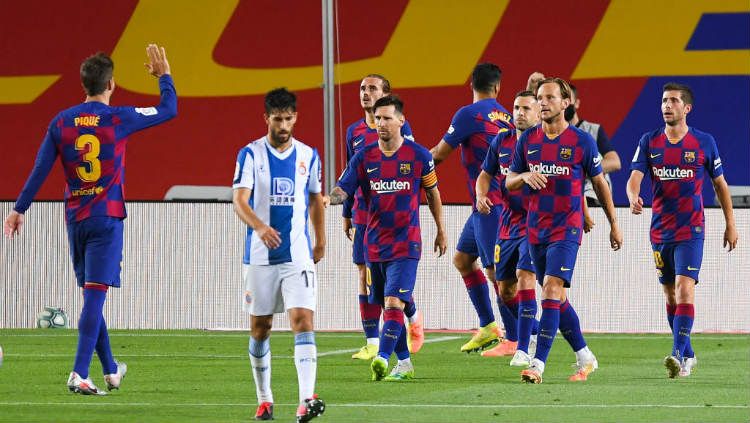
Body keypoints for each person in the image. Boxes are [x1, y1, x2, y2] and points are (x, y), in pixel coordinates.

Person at [3, 45, 176, 395]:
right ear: (110, 84)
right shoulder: (119, 118)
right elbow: (169, 109)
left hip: (76, 220)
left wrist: (19, 208)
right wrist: (164, 77)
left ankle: (111, 370)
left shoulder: (61, 121)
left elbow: (40, 169)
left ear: (83, 84)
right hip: (106, 218)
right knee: (94, 300)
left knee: (91, 298)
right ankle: (80, 372)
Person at [506, 77, 623, 384]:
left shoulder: (582, 142)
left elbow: (599, 183)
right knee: (556, 298)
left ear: (565, 103)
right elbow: (509, 180)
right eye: (539, 98)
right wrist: (524, 177)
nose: (542, 103)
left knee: (551, 290)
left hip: (567, 228)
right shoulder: (527, 140)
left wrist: (614, 223)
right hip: (535, 230)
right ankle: (584, 355)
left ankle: (538, 364)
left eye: (548, 98)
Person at [329, 95, 447, 382]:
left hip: (407, 243)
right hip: (374, 244)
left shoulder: (419, 156)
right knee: (386, 304)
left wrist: (441, 229)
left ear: (401, 121)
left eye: (386, 118)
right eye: (377, 118)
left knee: (394, 302)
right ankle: (404, 363)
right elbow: (343, 189)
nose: (380, 123)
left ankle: (382, 358)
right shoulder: (364, 156)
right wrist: (327, 199)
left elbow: (432, 193)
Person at [626, 82, 737, 379]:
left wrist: (731, 223)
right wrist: (632, 195)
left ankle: (677, 355)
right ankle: (687, 352)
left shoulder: (703, 142)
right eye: (664, 100)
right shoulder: (649, 141)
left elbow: (720, 185)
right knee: (670, 296)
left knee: (684, 289)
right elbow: (634, 177)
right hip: (660, 231)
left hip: (691, 229)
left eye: (673, 101)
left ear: (687, 108)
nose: (667, 105)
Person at [232, 88, 326, 422]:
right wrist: (259, 226)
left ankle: (305, 400)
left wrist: (321, 240)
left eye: (288, 118)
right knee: (261, 328)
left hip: (297, 255)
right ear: (266, 118)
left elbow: (316, 198)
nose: (283, 125)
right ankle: (264, 398)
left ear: (296, 118)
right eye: (277, 119)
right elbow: (239, 200)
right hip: (259, 257)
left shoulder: (308, 156)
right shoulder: (250, 154)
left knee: (303, 320)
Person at [430, 62, 514, 353]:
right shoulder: (506, 115)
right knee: (464, 259)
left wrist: (408, 164)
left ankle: (514, 338)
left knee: (496, 273)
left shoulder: (468, 114)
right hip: (489, 204)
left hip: (490, 205)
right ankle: (489, 326)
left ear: (471, 85)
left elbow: (439, 154)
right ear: (498, 87)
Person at [344, 74, 424, 360]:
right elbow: (348, 174)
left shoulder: (400, 129)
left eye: (372, 88)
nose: (366, 93)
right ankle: (372, 341)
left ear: (386, 93)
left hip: (394, 218)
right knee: (365, 276)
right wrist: (346, 213)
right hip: (364, 216)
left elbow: (412, 165)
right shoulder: (353, 132)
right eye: (362, 88)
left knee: (393, 283)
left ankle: (412, 317)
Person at [476, 90, 541, 363]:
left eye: (526, 108)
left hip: (535, 223)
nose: (519, 113)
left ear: (539, 112)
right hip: (507, 224)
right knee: (505, 289)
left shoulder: (545, 142)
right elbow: (484, 175)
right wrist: (480, 195)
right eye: (516, 107)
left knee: (525, 277)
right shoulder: (501, 141)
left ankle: (524, 348)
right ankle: (538, 330)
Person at [566, 84, 622, 206]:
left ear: (577, 103)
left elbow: (615, 162)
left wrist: (580, 171)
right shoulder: (553, 134)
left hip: (593, 198)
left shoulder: (593, 130)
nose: (565, 104)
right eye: (562, 99)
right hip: (565, 198)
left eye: (568, 99)